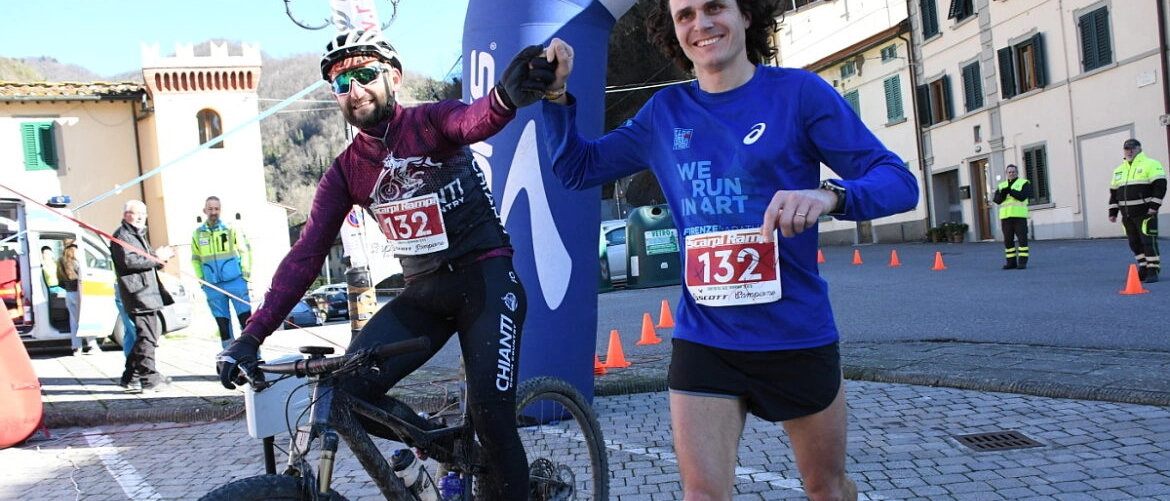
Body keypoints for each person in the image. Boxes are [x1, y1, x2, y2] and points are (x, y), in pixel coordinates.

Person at [538, 1, 918, 499]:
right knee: (703, 494)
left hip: (794, 334)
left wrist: (831, 195)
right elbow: (576, 168)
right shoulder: (664, 114)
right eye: (686, 15)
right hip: (706, 337)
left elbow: (900, 182)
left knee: (825, 487)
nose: (701, 24)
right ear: (674, 32)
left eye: (715, 7)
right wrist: (554, 93)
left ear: (746, 16)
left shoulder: (799, 95)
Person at [215, 29, 553, 500]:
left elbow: (472, 122)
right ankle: (443, 444)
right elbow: (306, 255)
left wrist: (501, 100)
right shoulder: (347, 169)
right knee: (344, 391)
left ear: (393, 76)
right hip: (424, 296)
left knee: (493, 418)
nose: (354, 91)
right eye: (340, 83)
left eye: (365, 74)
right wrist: (251, 336)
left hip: (486, 280)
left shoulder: (431, 121)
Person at [111, 200, 176, 392]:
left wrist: (160, 259)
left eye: (143, 213)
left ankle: (131, 377)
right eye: (136, 213)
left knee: (146, 336)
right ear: (125, 215)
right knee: (147, 336)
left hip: (147, 292)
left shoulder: (137, 234)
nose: (140, 217)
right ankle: (149, 379)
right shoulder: (122, 235)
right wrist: (156, 257)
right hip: (138, 294)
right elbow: (129, 261)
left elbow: (145, 261)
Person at [191, 196, 253, 348]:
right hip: (212, 286)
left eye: (216, 209)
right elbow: (196, 259)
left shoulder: (231, 228)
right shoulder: (198, 234)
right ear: (204, 210)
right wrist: (202, 281)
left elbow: (245, 251)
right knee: (223, 326)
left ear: (221, 210)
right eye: (210, 209)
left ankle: (252, 356)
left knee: (246, 323)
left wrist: (245, 276)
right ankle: (230, 359)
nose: (214, 212)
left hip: (236, 282)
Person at [1109, 138, 1166, 284]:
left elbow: (1160, 186)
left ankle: (1153, 270)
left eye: (1133, 148)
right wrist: (1113, 212)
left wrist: (1154, 206)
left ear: (1139, 149)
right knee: (1134, 243)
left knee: (1148, 241)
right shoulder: (1119, 170)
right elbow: (1114, 194)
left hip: (1145, 213)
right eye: (1127, 148)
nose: (1130, 151)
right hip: (1127, 214)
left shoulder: (1151, 164)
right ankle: (1143, 268)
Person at [57, 241, 96, 353]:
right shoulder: (76, 263)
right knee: (86, 319)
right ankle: (92, 344)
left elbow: (60, 281)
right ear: (74, 250)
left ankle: (76, 347)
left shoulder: (62, 263)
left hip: (69, 294)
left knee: (74, 322)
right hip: (79, 294)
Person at [992, 164, 1033, 269]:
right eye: (1009, 172)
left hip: (1019, 217)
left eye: (1013, 171)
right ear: (1006, 173)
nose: (1011, 173)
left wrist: (1011, 191)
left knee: (1022, 240)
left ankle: (1022, 262)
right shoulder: (1002, 185)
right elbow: (996, 200)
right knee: (1008, 241)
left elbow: (1023, 196)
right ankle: (1011, 262)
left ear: (1017, 172)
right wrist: (1003, 194)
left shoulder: (1024, 183)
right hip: (1006, 218)